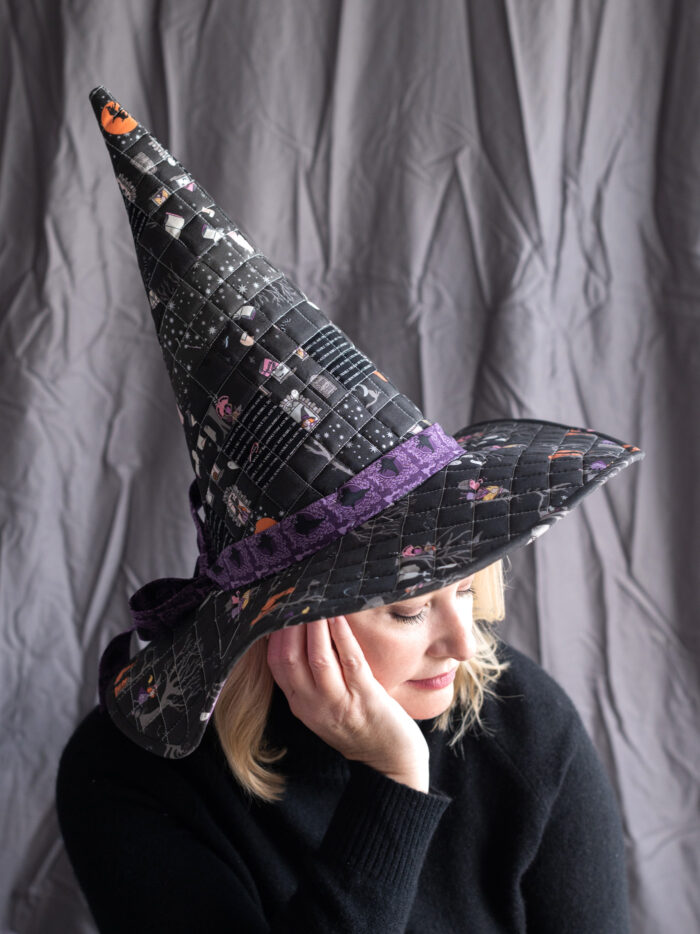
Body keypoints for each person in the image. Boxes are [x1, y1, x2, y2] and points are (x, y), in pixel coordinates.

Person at [55, 87, 643, 933]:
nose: (463, 642)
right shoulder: (128, 780)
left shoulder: (523, 731)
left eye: (466, 589)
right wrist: (396, 785)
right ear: (284, 615)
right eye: (409, 604)